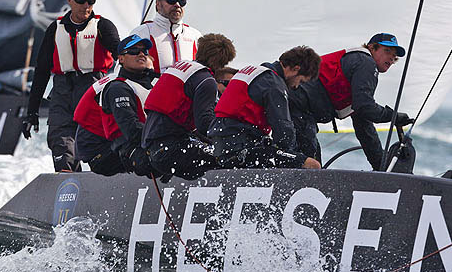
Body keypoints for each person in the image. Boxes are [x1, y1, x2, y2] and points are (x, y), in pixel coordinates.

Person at [22, 0, 120, 172]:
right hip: (62, 91)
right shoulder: (55, 29)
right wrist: (32, 111)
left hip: (94, 89)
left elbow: (121, 55)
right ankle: (68, 186)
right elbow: (42, 71)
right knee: (61, 143)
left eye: (91, 1)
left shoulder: (104, 26)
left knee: (97, 144)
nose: (86, 6)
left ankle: (103, 184)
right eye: (82, 0)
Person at [291, 33, 414, 170]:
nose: (391, 58)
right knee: (312, 168)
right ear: (372, 48)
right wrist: (393, 116)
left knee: (310, 165)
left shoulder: (358, 69)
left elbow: (364, 126)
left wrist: (381, 167)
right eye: (387, 51)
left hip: (295, 108)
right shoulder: (365, 62)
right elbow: (365, 107)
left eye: (394, 57)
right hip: (295, 106)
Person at [209, 46, 322, 170]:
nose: (296, 87)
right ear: (296, 69)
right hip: (238, 148)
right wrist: (296, 155)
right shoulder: (274, 84)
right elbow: (284, 133)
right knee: (312, 164)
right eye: (301, 81)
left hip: (223, 145)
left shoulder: (256, 71)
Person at [142, 33, 236, 180]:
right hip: (170, 149)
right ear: (221, 61)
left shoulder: (179, 68)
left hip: (151, 147)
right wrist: (230, 138)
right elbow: (204, 124)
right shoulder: (206, 81)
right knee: (228, 160)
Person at [95, 34, 159, 177]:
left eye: (144, 51)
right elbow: (132, 130)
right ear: (121, 59)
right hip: (129, 150)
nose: (141, 54)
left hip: (153, 141)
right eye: (134, 51)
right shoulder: (118, 88)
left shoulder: (155, 82)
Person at [130, 0, 201, 74]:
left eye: (182, 2)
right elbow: (124, 68)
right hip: (152, 88)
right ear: (158, 4)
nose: (177, 5)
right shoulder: (142, 32)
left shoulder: (195, 36)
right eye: (171, 1)